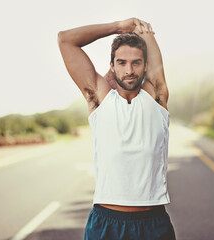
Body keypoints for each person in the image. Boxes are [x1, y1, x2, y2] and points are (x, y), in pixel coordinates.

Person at [58, 18, 175, 240]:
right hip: (106, 225)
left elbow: (148, 41)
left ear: (145, 66)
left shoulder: (156, 97)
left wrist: (144, 31)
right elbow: (65, 40)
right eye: (121, 63)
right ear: (112, 65)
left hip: (153, 224)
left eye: (136, 63)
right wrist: (118, 27)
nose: (129, 70)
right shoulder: (99, 98)